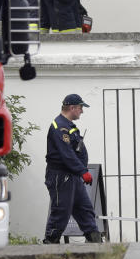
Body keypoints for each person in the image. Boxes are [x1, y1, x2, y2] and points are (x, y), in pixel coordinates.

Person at [43, 93, 103, 243]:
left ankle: (96, 243)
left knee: (85, 209)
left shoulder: (68, 126)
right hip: (61, 176)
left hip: (73, 176)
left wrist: (80, 171)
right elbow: (67, 154)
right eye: (81, 108)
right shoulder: (59, 126)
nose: (82, 111)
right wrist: (83, 171)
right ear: (72, 107)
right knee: (61, 210)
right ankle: (50, 245)